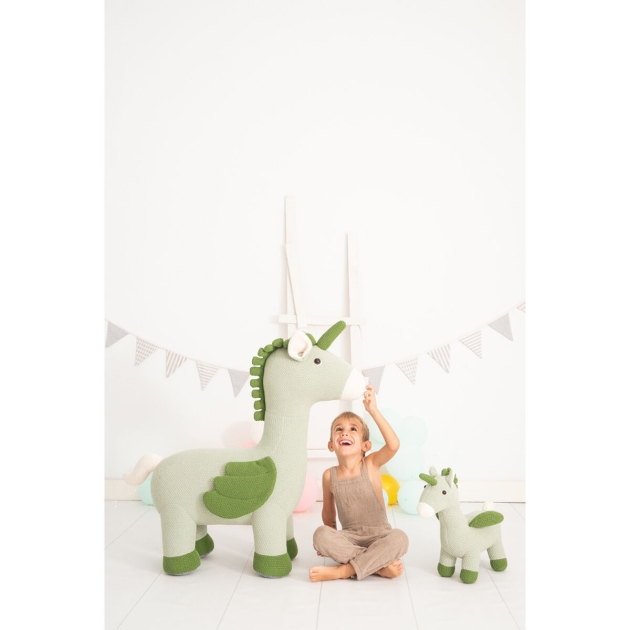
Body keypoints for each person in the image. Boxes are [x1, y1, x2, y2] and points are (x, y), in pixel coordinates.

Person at [308, 384, 409, 582]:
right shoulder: (329, 476)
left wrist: (373, 411)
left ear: (366, 445)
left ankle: (345, 570)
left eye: (353, 429)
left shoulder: (370, 464)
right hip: (350, 538)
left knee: (400, 538)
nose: (344, 433)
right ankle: (378, 566)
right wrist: (329, 542)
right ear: (331, 445)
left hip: (380, 536)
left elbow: (393, 445)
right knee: (320, 535)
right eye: (339, 430)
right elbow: (328, 515)